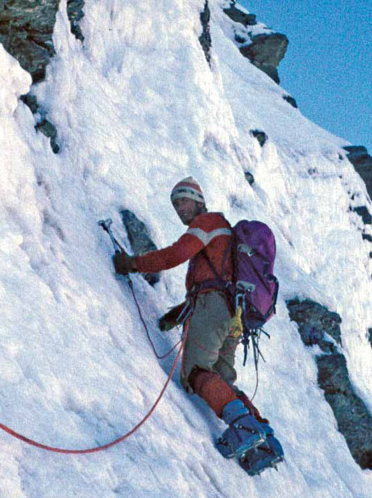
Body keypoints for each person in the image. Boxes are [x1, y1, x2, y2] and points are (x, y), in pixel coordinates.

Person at [113, 176, 270, 461]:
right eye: (175, 204)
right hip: (232, 318)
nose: (179, 208)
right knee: (221, 379)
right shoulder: (225, 236)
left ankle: (245, 429)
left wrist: (133, 263)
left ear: (198, 200)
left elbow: (176, 254)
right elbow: (213, 284)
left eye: (183, 200)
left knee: (196, 372)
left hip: (213, 309)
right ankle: (265, 440)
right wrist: (176, 316)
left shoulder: (208, 223)